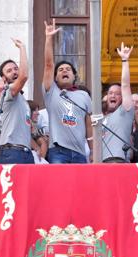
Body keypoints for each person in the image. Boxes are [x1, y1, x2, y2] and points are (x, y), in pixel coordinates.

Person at [42, 19, 93, 163]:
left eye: (68, 69)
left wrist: (93, 151)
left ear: (74, 76)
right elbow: (48, 65)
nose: (65, 70)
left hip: (80, 153)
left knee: (81, 186)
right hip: (58, 152)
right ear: (55, 78)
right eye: (60, 70)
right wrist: (48, 38)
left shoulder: (84, 95)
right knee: (58, 186)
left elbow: (89, 125)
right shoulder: (51, 93)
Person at [0, 38, 33, 164]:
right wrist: (22, 48)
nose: (14, 72)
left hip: (25, 151)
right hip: (12, 151)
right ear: (4, 78)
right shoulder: (7, 91)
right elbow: (24, 76)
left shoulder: (22, 99)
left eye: (16, 68)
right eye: (9, 71)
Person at [101, 43, 135, 163]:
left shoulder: (125, 112)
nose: (113, 95)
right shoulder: (100, 117)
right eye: (110, 93)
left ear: (122, 98)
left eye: (117, 93)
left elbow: (125, 85)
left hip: (118, 161)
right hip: (101, 164)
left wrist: (125, 60)